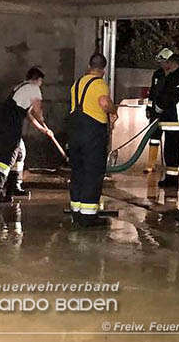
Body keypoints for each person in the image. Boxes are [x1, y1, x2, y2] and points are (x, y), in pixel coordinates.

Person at [0, 67, 53, 202]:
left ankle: (14, 186)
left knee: (20, 152)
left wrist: (42, 129)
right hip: (10, 125)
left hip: (7, 123)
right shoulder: (33, 88)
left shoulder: (21, 87)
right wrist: (42, 119)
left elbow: (27, 114)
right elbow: (37, 109)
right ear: (38, 79)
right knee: (7, 157)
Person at [68, 53, 118, 227]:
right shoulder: (99, 84)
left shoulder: (77, 84)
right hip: (92, 133)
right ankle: (88, 216)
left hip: (74, 132)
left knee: (78, 171)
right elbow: (104, 103)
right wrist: (113, 110)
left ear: (89, 66)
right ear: (103, 70)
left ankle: (76, 211)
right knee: (93, 173)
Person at [153, 52, 179, 197]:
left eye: (164, 64)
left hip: (173, 123)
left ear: (170, 63)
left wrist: (155, 111)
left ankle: (171, 180)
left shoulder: (171, 79)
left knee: (171, 153)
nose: (163, 68)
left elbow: (163, 100)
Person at [143, 49, 170, 173]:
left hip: (169, 113)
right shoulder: (157, 74)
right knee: (154, 138)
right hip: (155, 112)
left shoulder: (176, 75)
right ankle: (151, 164)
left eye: (163, 62)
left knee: (170, 140)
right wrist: (149, 108)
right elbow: (153, 93)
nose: (161, 65)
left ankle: (170, 165)